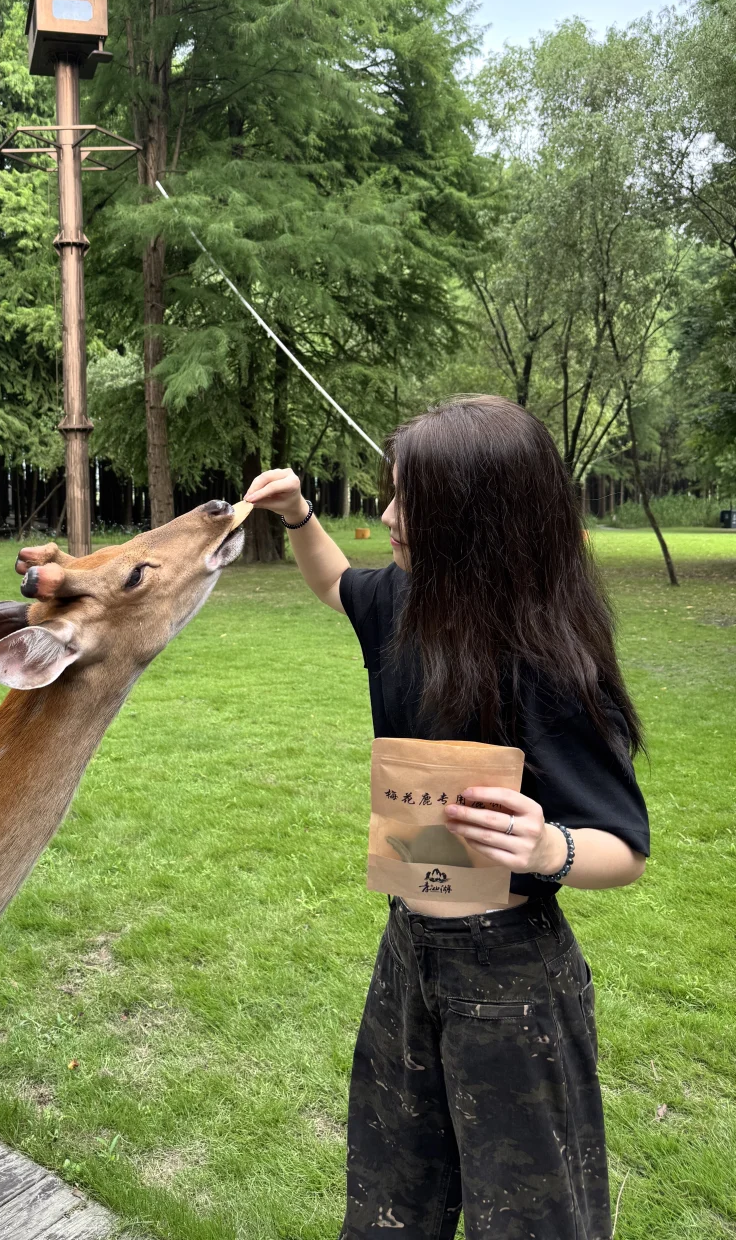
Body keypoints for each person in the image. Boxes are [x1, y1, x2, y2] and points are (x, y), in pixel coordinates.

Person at [243, 395, 649, 1240]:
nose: (387, 515)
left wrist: (549, 844)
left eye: (408, 501)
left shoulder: (546, 659)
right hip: (408, 956)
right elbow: (330, 581)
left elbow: (624, 848)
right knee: (392, 1202)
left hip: (514, 983)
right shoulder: (402, 602)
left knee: (533, 1221)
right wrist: (298, 515)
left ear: (478, 519)